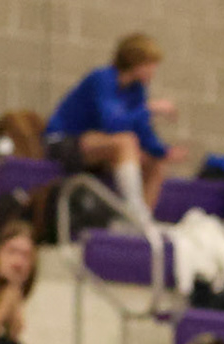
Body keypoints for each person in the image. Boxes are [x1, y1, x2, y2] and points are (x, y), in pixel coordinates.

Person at [44, 33, 184, 227]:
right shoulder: (102, 79)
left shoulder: (136, 90)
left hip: (97, 146)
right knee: (125, 142)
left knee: (154, 163)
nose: (154, 70)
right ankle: (134, 210)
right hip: (63, 141)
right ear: (136, 62)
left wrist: (162, 151)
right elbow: (111, 124)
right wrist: (150, 108)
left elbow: (142, 129)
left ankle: (140, 223)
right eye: (150, 64)